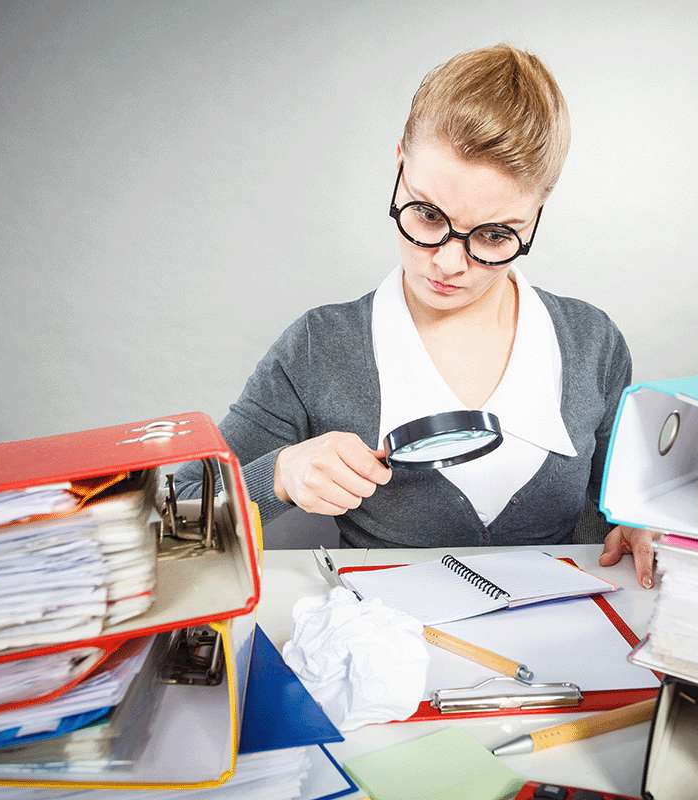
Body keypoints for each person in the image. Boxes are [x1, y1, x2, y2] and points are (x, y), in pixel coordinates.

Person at [175, 44, 657, 586]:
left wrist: (638, 522)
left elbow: (619, 498)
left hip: (567, 651)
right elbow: (177, 521)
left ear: (539, 209)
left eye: (496, 235)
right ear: (400, 162)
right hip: (386, 654)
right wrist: (279, 476)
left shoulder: (592, 342)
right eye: (427, 214)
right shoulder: (318, 348)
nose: (449, 264)